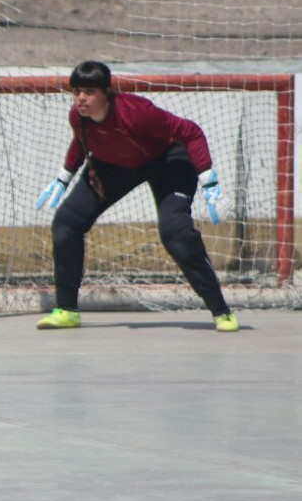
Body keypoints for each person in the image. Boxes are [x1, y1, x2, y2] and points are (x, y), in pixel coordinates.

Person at [34, 61, 238, 332]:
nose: (81, 98)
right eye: (76, 91)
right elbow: (82, 141)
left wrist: (209, 181)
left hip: (166, 161)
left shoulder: (136, 113)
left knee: (175, 232)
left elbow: (191, 132)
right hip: (113, 166)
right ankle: (67, 310)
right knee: (66, 223)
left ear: (106, 92)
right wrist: (64, 176)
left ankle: (221, 311)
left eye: (89, 92)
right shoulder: (78, 116)